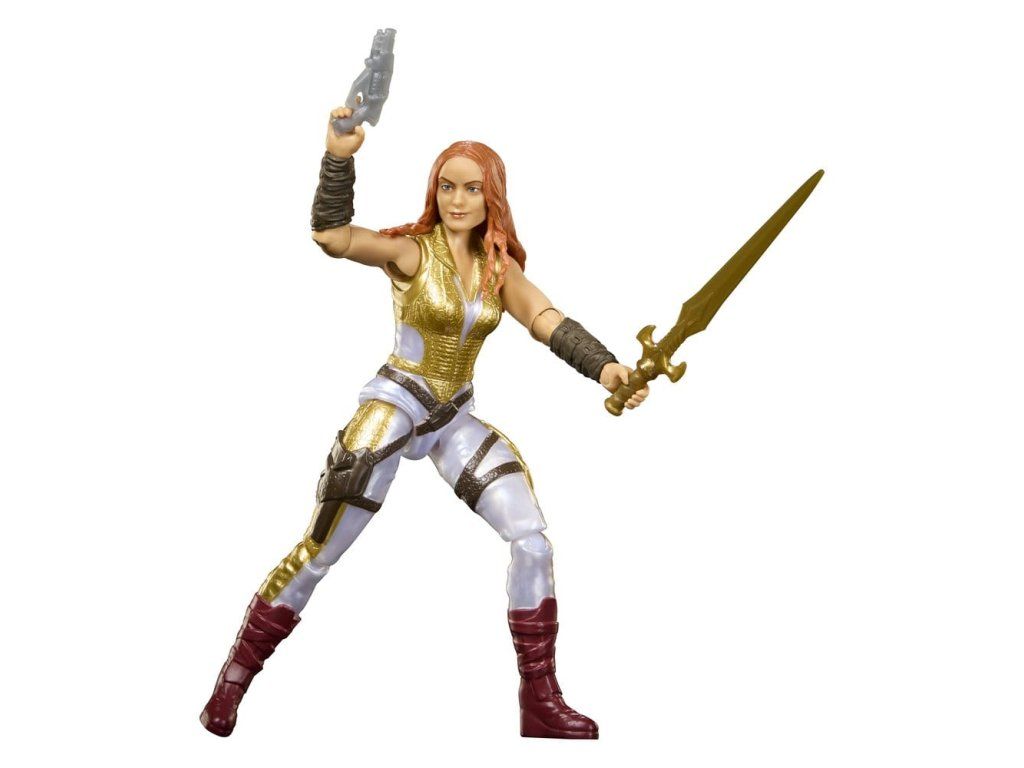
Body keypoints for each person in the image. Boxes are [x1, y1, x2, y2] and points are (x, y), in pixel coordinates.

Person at [200, 106, 649, 740]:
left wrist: (606, 369)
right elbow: (334, 237)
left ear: (492, 197)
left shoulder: (497, 270)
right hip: (397, 404)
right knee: (322, 547)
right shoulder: (412, 253)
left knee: (531, 539)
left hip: (453, 416)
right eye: (447, 186)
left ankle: (540, 699)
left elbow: (546, 319)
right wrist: (339, 159)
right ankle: (232, 682)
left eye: (472, 188)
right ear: (433, 190)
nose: (458, 200)